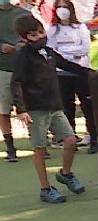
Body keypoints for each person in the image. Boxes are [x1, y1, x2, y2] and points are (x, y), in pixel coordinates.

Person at [11, 13, 89, 203]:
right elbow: (17, 82)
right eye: (33, 35)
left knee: (70, 140)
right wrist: (21, 109)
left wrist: (90, 73)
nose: (39, 37)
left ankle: (65, 173)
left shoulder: (48, 51)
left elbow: (66, 64)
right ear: (24, 38)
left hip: (54, 105)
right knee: (39, 148)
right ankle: (45, 188)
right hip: (36, 108)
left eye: (40, 32)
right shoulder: (23, 55)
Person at [47, 0, 96, 153]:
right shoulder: (53, 30)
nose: (62, 10)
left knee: (88, 106)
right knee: (67, 108)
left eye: (65, 7)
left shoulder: (80, 27)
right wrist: (65, 53)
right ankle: (70, 140)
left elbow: (85, 48)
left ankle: (94, 138)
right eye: (59, 7)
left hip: (81, 72)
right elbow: (52, 51)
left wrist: (64, 50)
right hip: (62, 74)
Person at [0, 0, 30, 161]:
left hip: (25, 68)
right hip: (3, 68)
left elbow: (35, 35)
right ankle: (10, 147)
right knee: (4, 110)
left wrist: (21, 46)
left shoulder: (23, 14)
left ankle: (39, 143)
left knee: (31, 106)